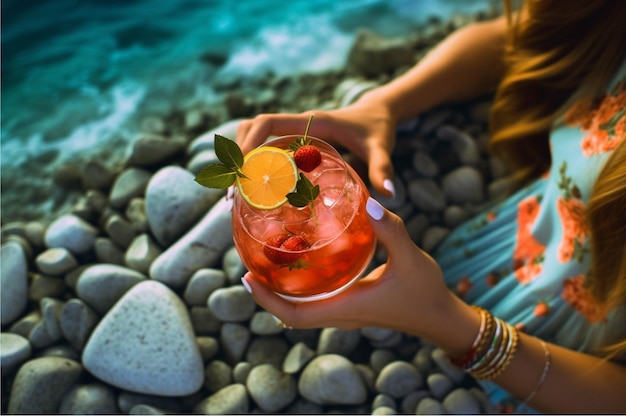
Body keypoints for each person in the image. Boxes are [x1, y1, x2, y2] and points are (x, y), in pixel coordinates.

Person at [236, 0, 626, 413]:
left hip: (570, 372)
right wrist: (385, 103)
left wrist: (446, 322)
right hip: (499, 248)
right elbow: (540, 35)